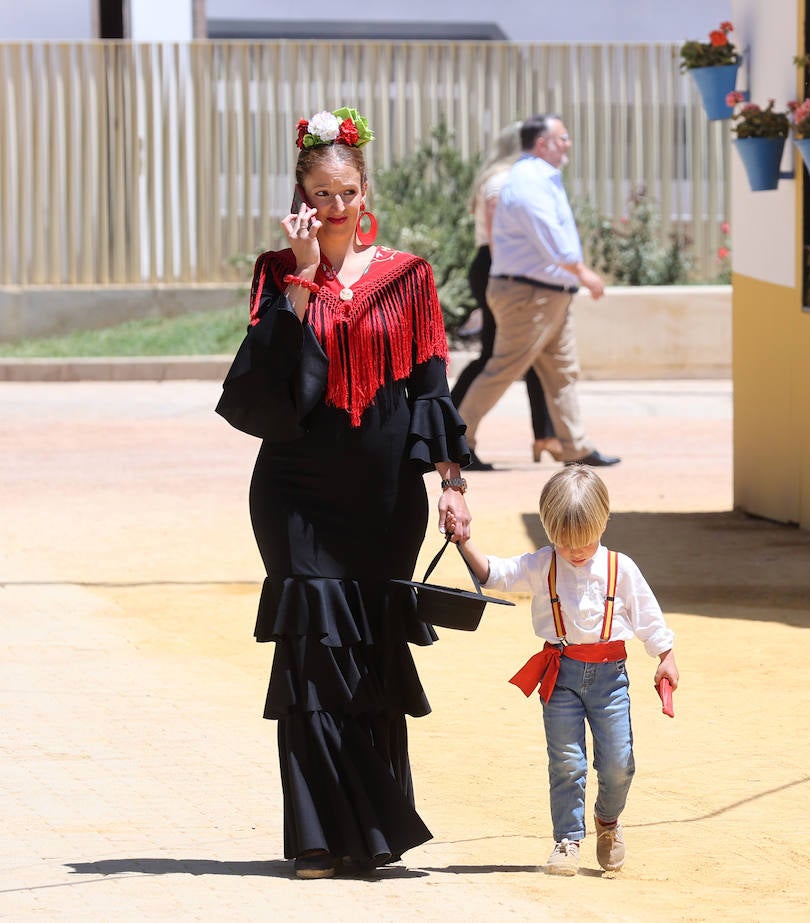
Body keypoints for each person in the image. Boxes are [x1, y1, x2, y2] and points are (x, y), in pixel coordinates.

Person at [215, 106, 473, 880]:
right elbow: (268, 386)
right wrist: (299, 275)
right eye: (319, 195)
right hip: (296, 489)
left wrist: (451, 484)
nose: (333, 208)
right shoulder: (275, 273)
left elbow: (431, 387)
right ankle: (319, 837)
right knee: (309, 655)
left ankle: (372, 836)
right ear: (300, 197)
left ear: (366, 193)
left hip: (386, 494)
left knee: (368, 656)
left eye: (346, 192)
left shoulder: (410, 277)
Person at [449, 465, 679, 875]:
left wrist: (665, 656)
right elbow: (495, 573)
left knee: (619, 762)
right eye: (564, 541)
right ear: (548, 529)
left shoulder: (620, 568)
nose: (575, 551)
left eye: (585, 540)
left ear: (604, 521)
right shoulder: (542, 563)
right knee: (567, 762)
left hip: (610, 680)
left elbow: (648, 616)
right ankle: (567, 840)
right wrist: (464, 542)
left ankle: (607, 822)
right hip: (561, 676)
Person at [456, 113, 621, 468]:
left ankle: (575, 446)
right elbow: (547, 232)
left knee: (561, 372)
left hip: (549, 291)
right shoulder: (527, 179)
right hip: (529, 294)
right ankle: (458, 443)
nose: (568, 144)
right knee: (501, 369)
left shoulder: (539, 177)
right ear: (542, 143)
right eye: (563, 138)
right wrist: (582, 271)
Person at [451, 120, 562, 471]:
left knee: (528, 353)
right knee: (496, 359)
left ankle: (546, 435)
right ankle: (449, 432)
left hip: (497, 268)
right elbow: (500, 235)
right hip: (498, 268)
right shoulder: (500, 181)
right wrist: (511, 279)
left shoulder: (502, 177)